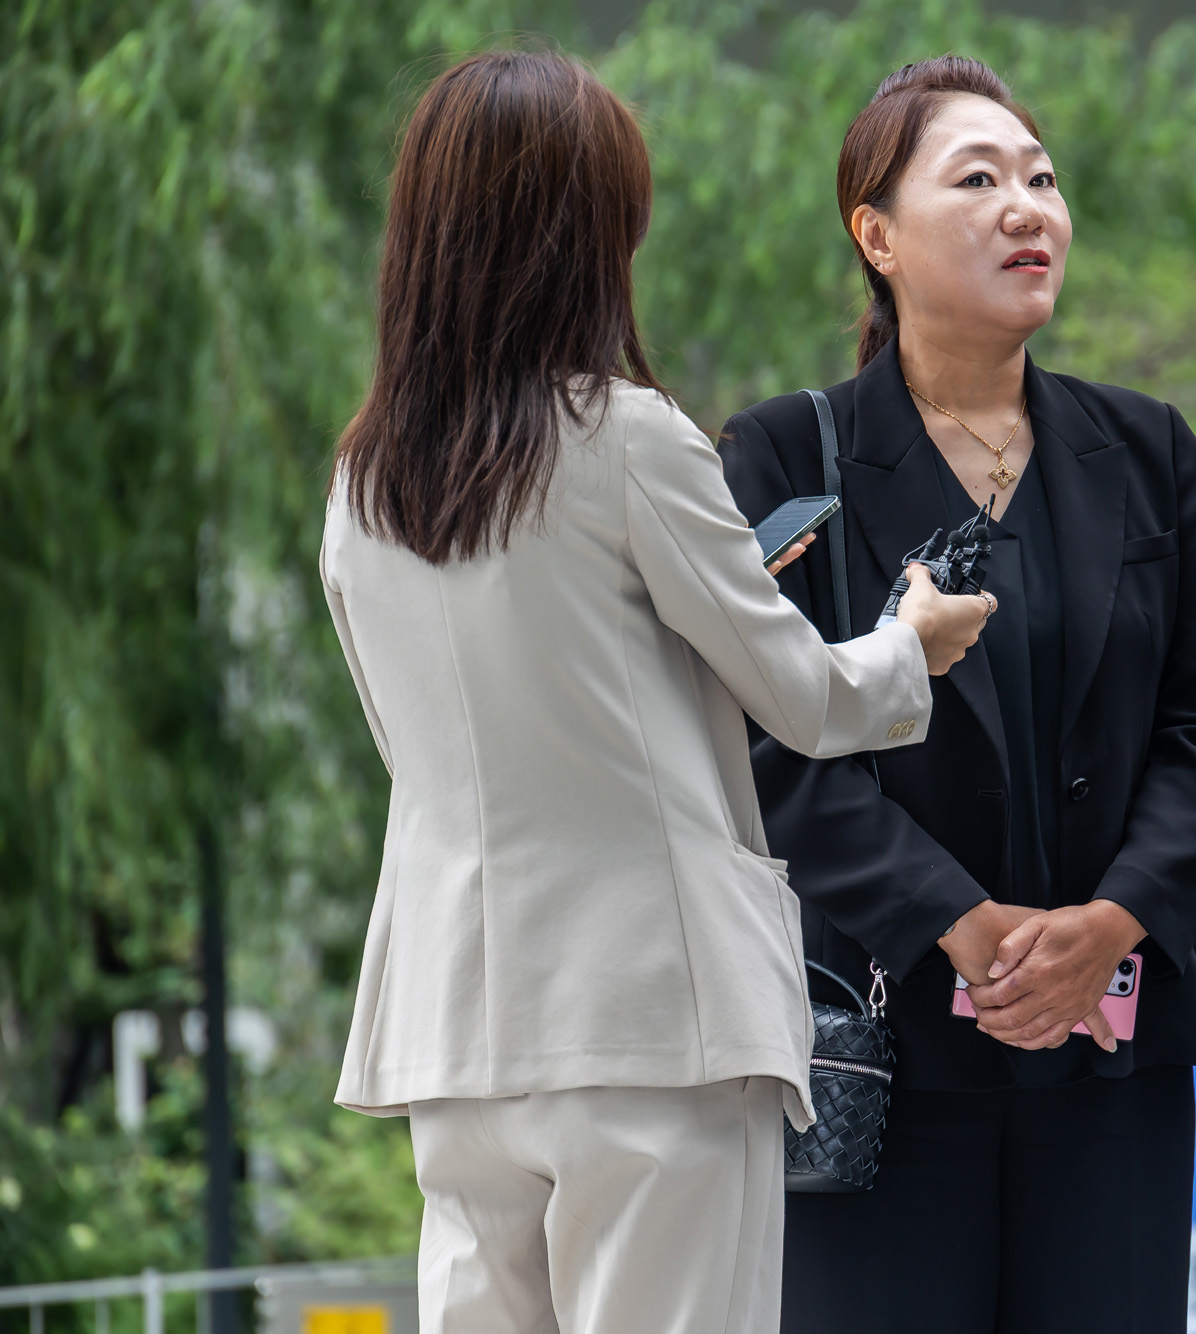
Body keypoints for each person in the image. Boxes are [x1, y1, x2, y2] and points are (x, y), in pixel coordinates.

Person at [320, 49, 990, 1334]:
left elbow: (453, 738)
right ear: (584, 234)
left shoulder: (362, 486)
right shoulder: (625, 436)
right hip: (652, 1018)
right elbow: (809, 699)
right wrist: (911, 640)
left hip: (455, 1029)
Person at [716, 55, 1196, 1334]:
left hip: (1112, 1040)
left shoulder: (1146, 450)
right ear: (876, 235)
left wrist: (1111, 921)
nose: (1029, 207)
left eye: (1042, 178)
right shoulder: (788, 456)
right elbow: (763, 741)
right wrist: (957, 921)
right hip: (879, 1046)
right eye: (979, 179)